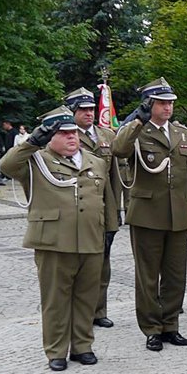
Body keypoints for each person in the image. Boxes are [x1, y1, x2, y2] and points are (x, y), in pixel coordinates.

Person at [0, 107, 118, 371]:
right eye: (63, 133)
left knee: (87, 297)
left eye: (73, 132)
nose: (71, 137)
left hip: (90, 239)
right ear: (50, 137)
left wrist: (110, 229)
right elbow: (6, 166)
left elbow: (106, 197)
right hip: (53, 241)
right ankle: (55, 351)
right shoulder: (37, 160)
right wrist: (32, 141)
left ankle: (82, 346)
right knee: (55, 299)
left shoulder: (95, 161)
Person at [112, 79, 187, 352]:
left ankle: (170, 324)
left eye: (171, 102)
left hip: (177, 214)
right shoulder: (137, 131)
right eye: (162, 102)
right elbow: (118, 150)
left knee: (176, 275)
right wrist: (137, 121)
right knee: (148, 275)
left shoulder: (183, 134)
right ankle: (151, 328)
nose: (169, 107)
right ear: (149, 104)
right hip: (147, 214)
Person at [65, 87, 123, 329]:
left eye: (91, 109)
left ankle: (99, 310)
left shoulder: (107, 136)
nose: (89, 113)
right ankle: (76, 312)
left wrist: (116, 212)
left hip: (102, 206)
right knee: (74, 264)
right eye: (83, 110)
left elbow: (115, 177)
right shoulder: (66, 136)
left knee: (102, 263)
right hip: (74, 207)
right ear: (73, 112)